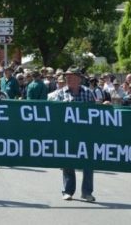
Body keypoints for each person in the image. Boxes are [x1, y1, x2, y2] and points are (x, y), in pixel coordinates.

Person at [53, 66, 96, 202]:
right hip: (67, 133)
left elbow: (95, 113)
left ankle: (87, 192)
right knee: (68, 162)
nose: (67, 78)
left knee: (88, 163)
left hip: (85, 134)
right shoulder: (60, 94)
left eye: (71, 76)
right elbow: (53, 113)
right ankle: (68, 191)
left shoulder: (88, 93)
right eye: (66, 76)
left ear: (79, 78)